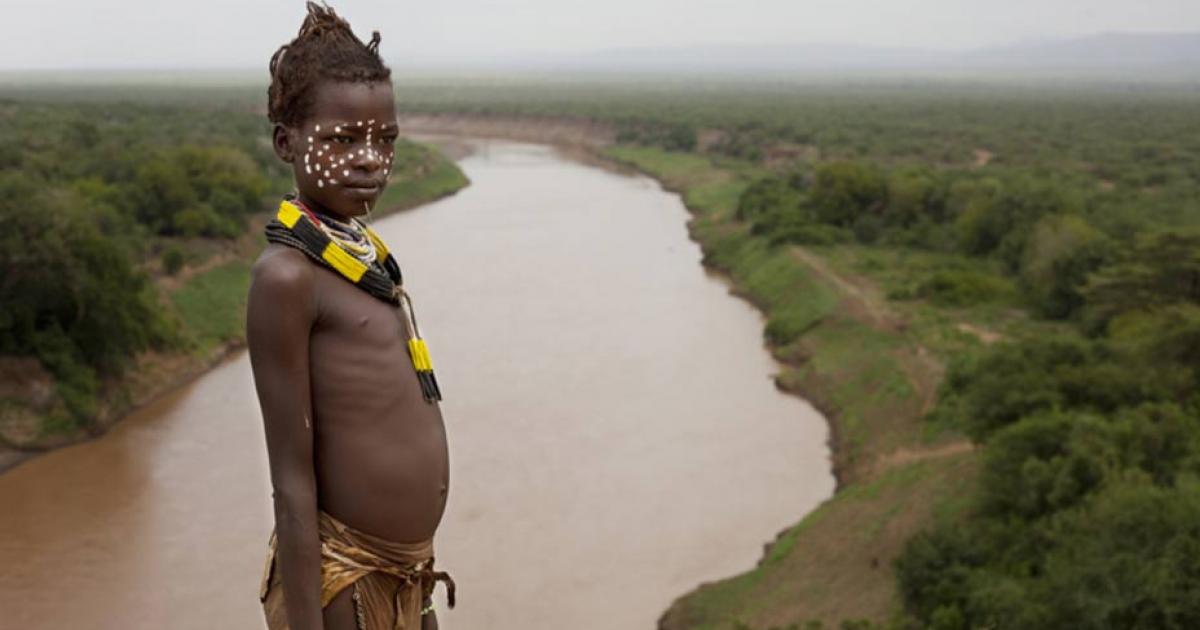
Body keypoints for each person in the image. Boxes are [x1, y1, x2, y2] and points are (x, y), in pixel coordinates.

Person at [247, 3, 453, 628]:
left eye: (384, 139)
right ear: (287, 142)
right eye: (342, 140)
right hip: (347, 580)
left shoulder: (359, 255)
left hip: (406, 573)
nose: (369, 158)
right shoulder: (287, 278)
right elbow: (291, 479)